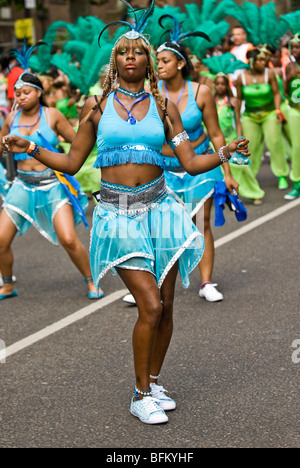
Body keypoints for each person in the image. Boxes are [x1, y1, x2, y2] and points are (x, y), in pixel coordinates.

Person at [2, 2, 250, 425]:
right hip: (117, 213)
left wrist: (224, 153)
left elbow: (189, 162)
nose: (130, 56)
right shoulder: (95, 108)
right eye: (123, 51)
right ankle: (139, 394)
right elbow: (73, 162)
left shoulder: (164, 106)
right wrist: (33, 149)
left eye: (138, 51)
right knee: (150, 306)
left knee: (168, 305)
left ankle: (153, 381)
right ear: (114, 61)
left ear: (149, 61)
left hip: (163, 210)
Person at [154, 23, 239, 303]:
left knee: (201, 222)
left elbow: (215, 133)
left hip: (201, 164)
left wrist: (227, 173)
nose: (159, 65)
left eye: (164, 61)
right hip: (166, 169)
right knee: (166, 226)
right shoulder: (151, 94)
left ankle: (206, 282)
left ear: (180, 63)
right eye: (157, 61)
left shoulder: (201, 92)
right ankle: (155, 283)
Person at [0, 70, 102, 301]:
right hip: (23, 186)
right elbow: (1, 148)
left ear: (39, 92)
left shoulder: (52, 115)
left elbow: (78, 141)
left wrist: (85, 122)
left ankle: (91, 280)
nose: (21, 97)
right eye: (17, 93)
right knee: (1, 240)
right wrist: (5, 145)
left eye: (26, 92)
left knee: (68, 238)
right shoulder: (11, 119)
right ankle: (7, 284)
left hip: (53, 185)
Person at [235, 48, 290, 204]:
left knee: (274, 143)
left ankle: (281, 175)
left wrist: (278, 109)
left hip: (269, 113)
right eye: (259, 60)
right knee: (249, 149)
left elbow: (276, 93)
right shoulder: (241, 78)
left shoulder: (269, 74)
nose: (263, 62)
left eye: (264, 60)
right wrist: (238, 120)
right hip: (250, 116)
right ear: (251, 62)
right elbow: (238, 100)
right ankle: (250, 181)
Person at [214, 73, 265, 201]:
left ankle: (255, 193)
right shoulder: (211, 100)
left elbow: (237, 121)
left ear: (227, 86)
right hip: (214, 141)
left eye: (223, 84)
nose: (220, 87)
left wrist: (240, 138)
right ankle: (225, 195)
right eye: (218, 84)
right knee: (217, 168)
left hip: (231, 139)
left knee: (242, 165)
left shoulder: (233, 101)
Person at [284, 34, 300, 200]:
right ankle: (297, 183)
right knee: (297, 148)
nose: (294, 50)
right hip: (295, 110)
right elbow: (286, 91)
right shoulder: (290, 66)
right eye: (292, 47)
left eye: (297, 47)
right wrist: (290, 77)